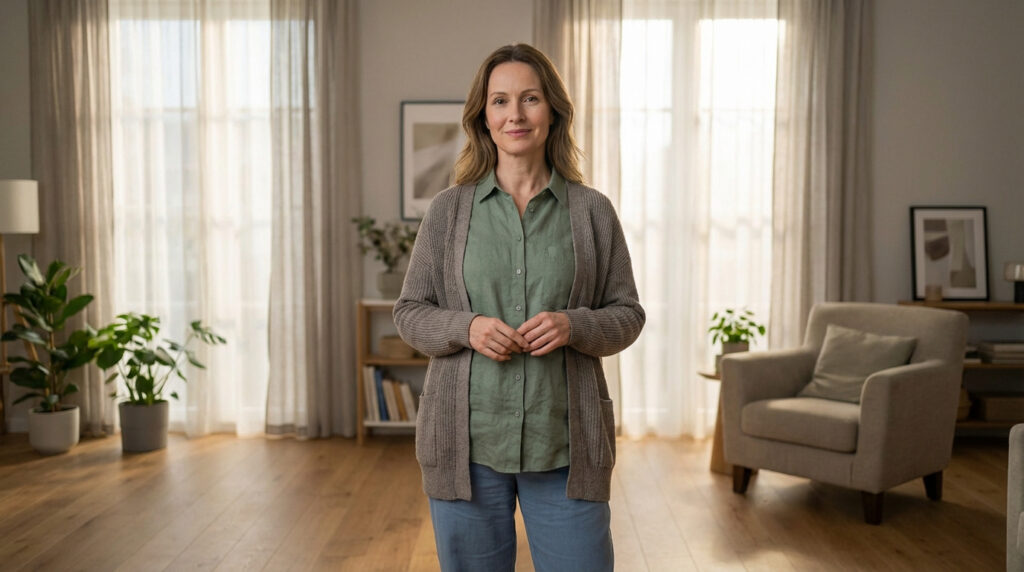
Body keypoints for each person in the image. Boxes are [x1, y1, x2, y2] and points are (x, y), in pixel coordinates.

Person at [394, 43, 644, 572]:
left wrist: (574, 325)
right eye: (500, 101)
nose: (515, 114)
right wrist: (468, 327)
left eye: (530, 98)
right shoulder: (448, 210)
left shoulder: (592, 212)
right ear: (483, 117)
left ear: (552, 110)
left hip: (565, 451)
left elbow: (628, 313)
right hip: (466, 448)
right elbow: (410, 310)